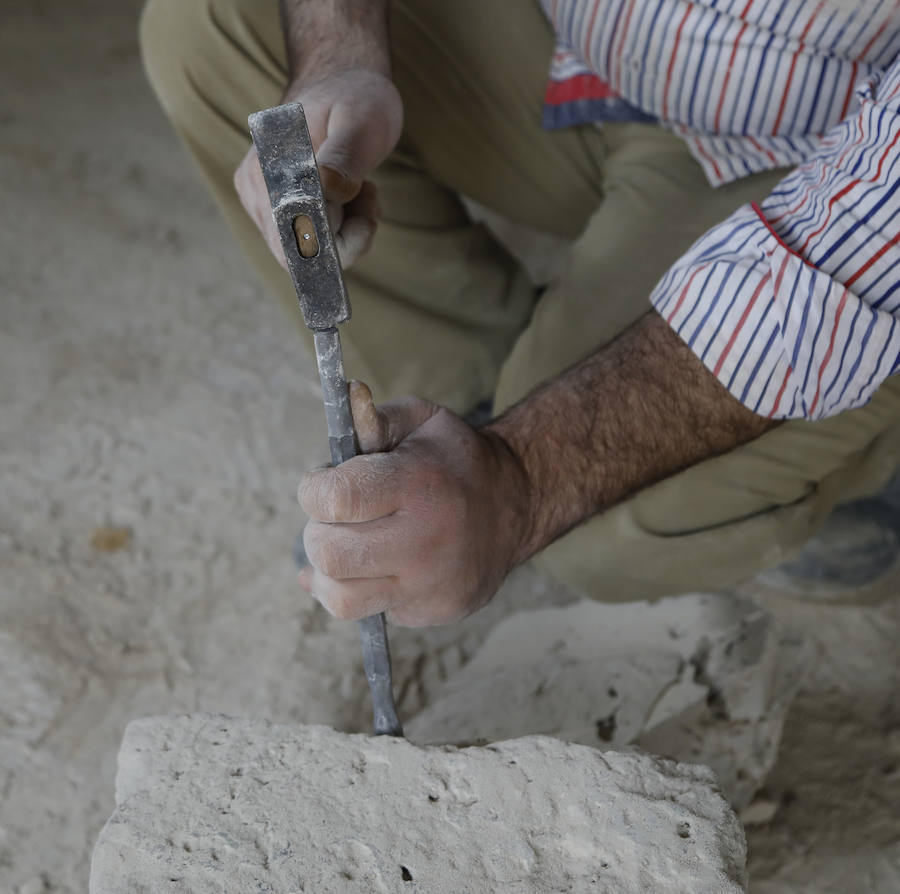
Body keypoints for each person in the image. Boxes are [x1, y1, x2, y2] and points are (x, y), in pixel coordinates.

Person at [140, 0, 900, 627]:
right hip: (587, 47)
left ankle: (849, 458)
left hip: (824, 147)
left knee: (597, 529)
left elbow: (859, 249)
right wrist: (339, 49)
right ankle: (460, 415)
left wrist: (526, 482)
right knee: (215, 27)